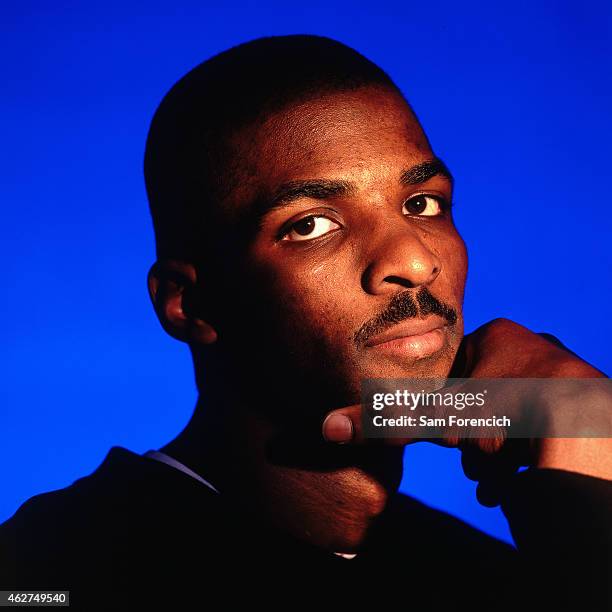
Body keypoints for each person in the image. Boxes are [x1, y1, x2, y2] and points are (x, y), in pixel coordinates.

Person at [0, 35, 610, 611]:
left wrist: (589, 461)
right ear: (188, 304)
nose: (414, 261)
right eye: (311, 224)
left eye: (422, 204)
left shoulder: (494, 578)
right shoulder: (51, 572)